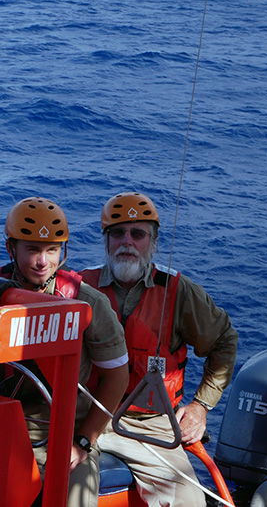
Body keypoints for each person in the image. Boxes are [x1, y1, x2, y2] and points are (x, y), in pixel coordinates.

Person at [80, 191, 238, 507]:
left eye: (138, 234)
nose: (127, 241)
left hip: (149, 424)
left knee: (188, 501)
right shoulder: (79, 286)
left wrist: (200, 407)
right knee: (66, 488)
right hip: (85, 416)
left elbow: (223, 341)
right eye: (117, 233)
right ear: (106, 241)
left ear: (153, 244)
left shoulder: (179, 292)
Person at [0, 197, 129, 507]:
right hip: (3, 425)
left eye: (51, 250)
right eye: (32, 250)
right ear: (11, 248)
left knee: (74, 501)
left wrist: (82, 442)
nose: (43, 262)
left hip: (67, 431)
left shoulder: (87, 303)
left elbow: (117, 378)